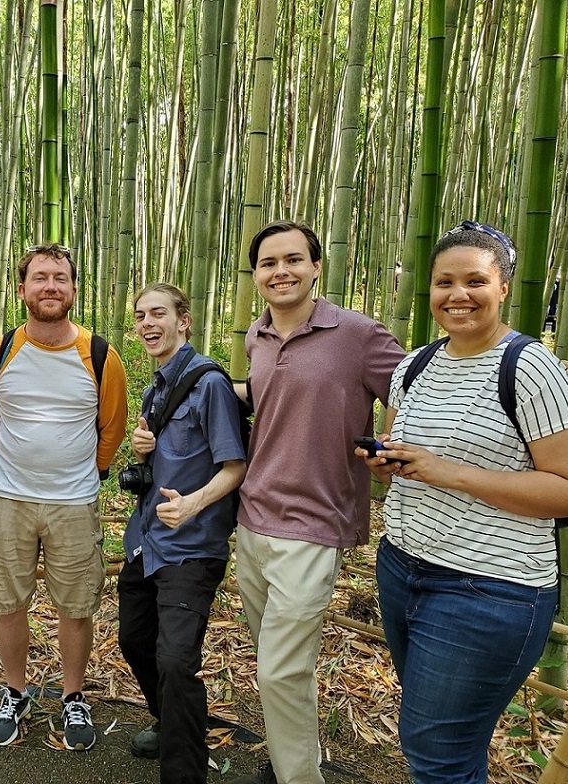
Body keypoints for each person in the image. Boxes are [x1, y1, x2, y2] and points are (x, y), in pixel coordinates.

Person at [358, 221, 568, 784]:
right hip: (403, 568)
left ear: (503, 287)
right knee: (441, 744)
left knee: (436, 752)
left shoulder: (532, 369)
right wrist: (389, 461)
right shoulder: (416, 363)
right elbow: (408, 456)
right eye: (444, 282)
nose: (457, 295)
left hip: (489, 589)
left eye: (474, 281)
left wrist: (451, 473)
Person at [230, 220, 406, 784]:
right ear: (255, 275)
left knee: (279, 670)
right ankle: (292, 764)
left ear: (315, 266)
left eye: (293, 260)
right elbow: (263, 400)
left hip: (314, 523)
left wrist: (388, 445)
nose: (280, 271)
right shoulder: (256, 337)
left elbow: (412, 389)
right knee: (282, 665)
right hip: (253, 518)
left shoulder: (357, 334)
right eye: (267, 263)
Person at [0, 243, 127, 750]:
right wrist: (13, 470)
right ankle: (14, 692)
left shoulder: (101, 355)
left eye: (60, 278)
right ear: (22, 290)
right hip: (10, 500)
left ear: (74, 289)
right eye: (40, 278)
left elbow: (111, 428)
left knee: (76, 605)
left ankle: (72, 695)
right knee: (7, 601)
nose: (50, 286)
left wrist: (84, 473)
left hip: (75, 502)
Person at [118, 283, 246, 784]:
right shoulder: (155, 388)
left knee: (175, 659)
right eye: (140, 315)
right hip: (147, 541)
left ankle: (185, 771)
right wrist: (140, 449)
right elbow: (161, 464)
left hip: (191, 548)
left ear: (183, 321)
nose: (148, 323)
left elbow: (234, 466)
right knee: (134, 641)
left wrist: (193, 504)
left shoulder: (208, 383)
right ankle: (171, 720)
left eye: (158, 314)